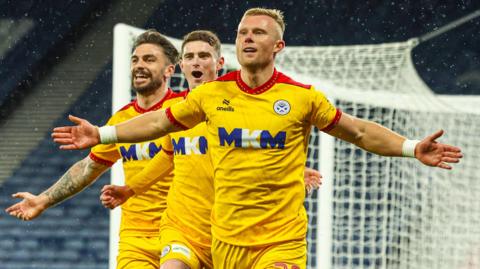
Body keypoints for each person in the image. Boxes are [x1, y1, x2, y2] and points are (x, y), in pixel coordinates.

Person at [50, 8, 463, 269]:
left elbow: (357, 131)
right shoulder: (212, 96)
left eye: (259, 33)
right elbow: (159, 125)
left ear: (277, 45)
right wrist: (103, 133)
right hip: (225, 240)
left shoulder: (301, 98)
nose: (248, 37)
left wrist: (410, 147)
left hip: (279, 240)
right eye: (243, 31)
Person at [99, 30, 323, 269]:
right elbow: (167, 157)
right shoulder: (174, 112)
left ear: (220, 63)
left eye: (204, 56)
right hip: (184, 231)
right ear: (182, 65)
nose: (196, 61)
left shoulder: (240, 108)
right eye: (190, 56)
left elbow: (264, 154)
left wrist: (294, 172)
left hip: (232, 233)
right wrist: (129, 188)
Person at [6, 30, 184, 269]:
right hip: (136, 239)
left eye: (149, 59)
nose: (139, 66)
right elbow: (88, 167)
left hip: (183, 231)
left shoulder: (185, 111)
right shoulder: (121, 119)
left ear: (170, 70)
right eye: (135, 59)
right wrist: (43, 200)